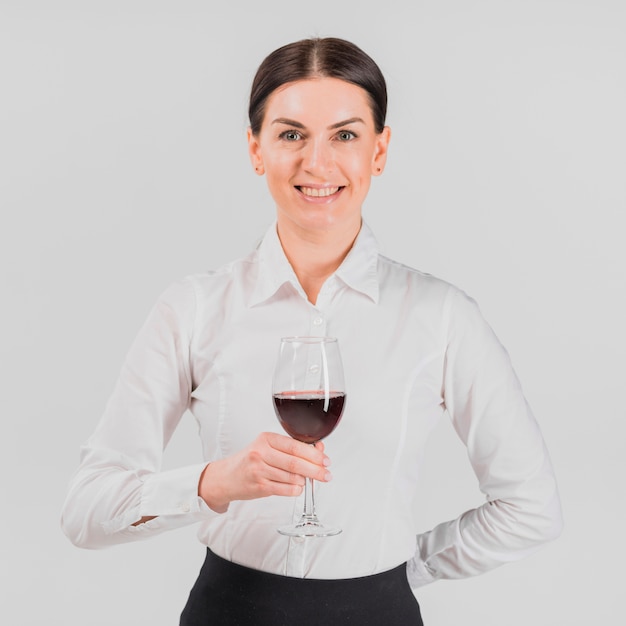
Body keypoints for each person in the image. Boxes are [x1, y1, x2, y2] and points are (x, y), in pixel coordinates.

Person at [61, 37, 563, 625]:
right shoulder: (192, 309)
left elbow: (531, 507)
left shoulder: (443, 316)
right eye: (291, 134)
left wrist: (400, 568)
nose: (317, 163)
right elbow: (84, 512)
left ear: (380, 150)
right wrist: (212, 482)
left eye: (345, 135)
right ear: (256, 149)